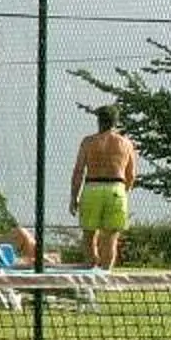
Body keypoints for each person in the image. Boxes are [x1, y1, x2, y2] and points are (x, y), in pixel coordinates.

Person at [70, 105, 138, 269]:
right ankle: (105, 276)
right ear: (116, 122)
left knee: (88, 234)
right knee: (110, 238)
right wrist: (124, 191)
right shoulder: (126, 144)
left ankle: (90, 269)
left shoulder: (88, 142)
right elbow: (132, 174)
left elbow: (79, 171)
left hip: (92, 187)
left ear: (99, 121)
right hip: (116, 187)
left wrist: (74, 197)